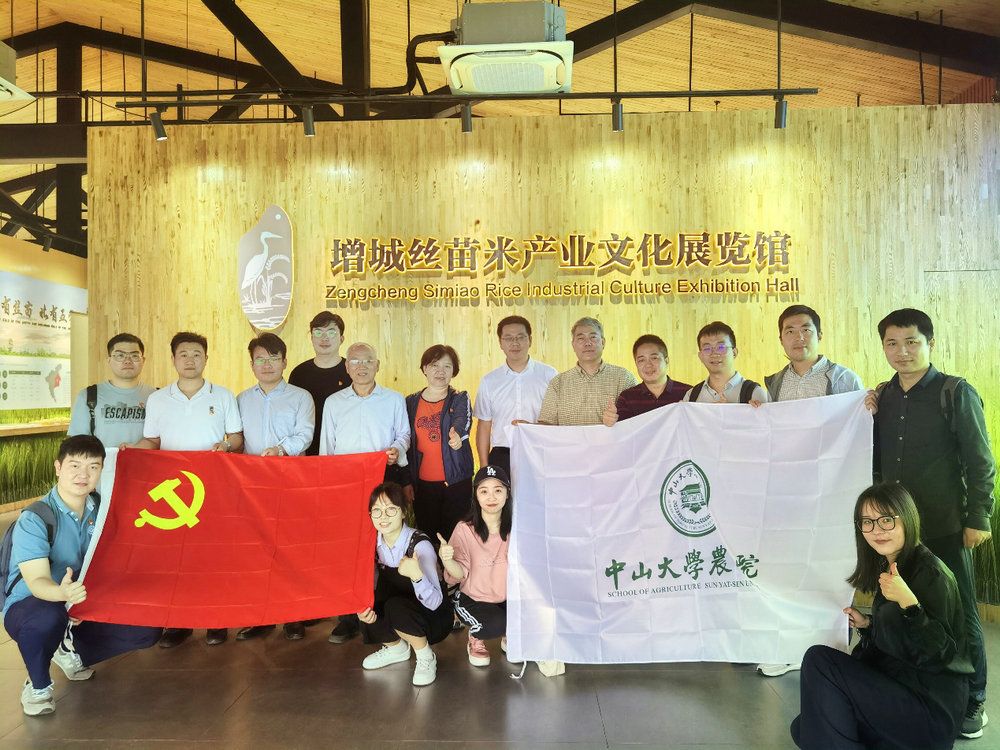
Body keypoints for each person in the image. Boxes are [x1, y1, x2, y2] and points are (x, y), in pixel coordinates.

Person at [869, 308, 995, 739]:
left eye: (911, 342)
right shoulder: (883, 396)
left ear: (930, 343)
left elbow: (980, 462)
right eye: (892, 343)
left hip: (943, 524)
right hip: (895, 530)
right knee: (901, 606)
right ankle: (913, 685)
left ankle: (974, 698)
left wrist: (978, 517)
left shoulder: (954, 392)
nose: (901, 351)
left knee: (961, 611)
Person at [790, 483, 973, 750]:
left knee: (819, 662)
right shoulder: (893, 565)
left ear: (906, 518)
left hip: (929, 709)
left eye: (886, 520)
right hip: (901, 689)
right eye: (867, 522)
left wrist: (910, 604)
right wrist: (868, 625)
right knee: (804, 726)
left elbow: (940, 655)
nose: (877, 530)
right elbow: (903, 638)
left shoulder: (931, 572)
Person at [3, 435, 162, 716]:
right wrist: (63, 595)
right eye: (74, 466)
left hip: (83, 600)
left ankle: (70, 650)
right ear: (58, 468)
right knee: (47, 618)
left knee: (146, 628)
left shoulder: (103, 509)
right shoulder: (36, 518)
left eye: (93, 467)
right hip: (32, 605)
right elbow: (37, 582)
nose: (83, 475)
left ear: (101, 471)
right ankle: (38, 685)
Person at [757, 305, 863, 678]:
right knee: (789, 570)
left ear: (819, 334)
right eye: (789, 330)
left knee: (829, 569)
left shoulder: (844, 379)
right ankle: (790, 646)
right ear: (780, 338)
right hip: (787, 494)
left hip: (832, 491)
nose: (798, 337)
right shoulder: (773, 384)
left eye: (805, 329)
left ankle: (832, 648)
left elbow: (861, 430)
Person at [135, 331, 243, 648]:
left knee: (213, 557)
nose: (190, 360)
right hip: (173, 491)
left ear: (206, 358)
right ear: (173, 359)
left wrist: (226, 445)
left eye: (196, 354)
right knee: (176, 559)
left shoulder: (222, 396)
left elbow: (237, 438)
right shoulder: (158, 400)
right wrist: (131, 452)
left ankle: (216, 621)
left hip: (213, 488)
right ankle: (178, 623)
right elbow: (152, 441)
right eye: (183, 354)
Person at [320, 341, 410, 644]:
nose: (362, 367)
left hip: (383, 484)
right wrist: (328, 489)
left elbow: (404, 434)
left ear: (377, 365)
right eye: (355, 362)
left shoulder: (393, 399)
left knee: (384, 548)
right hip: (345, 488)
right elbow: (327, 449)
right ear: (347, 367)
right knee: (348, 552)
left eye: (368, 361)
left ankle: (383, 615)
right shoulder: (333, 402)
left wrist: (396, 449)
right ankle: (347, 618)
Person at [235, 332, 315, 641]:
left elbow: (305, 435)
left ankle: (294, 615)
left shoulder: (300, 397)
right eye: (260, 359)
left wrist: (280, 450)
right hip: (254, 487)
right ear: (251, 364)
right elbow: (238, 440)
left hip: (291, 482)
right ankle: (262, 616)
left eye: (273, 358)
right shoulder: (242, 399)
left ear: (284, 362)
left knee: (291, 549)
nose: (266, 364)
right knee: (257, 551)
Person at [357, 482, 453, 686]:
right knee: (365, 604)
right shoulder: (371, 545)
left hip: (432, 618)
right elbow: (372, 586)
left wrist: (417, 576)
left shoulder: (419, 545)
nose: (383, 517)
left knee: (395, 607)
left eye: (391, 509)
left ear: (403, 512)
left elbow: (436, 603)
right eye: (377, 510)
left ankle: (426, 656)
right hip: (400, 610)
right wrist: (363, 608)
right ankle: (396, 649)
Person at [439, 465, 512, 667]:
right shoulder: (465, 529)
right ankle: (476, 637)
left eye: (498, 490)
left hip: (508, 598)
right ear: (476, 496)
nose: (491, 497)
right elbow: (458, 573)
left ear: (507, 493)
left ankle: (510, 633)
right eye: (484, 491)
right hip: (474, 599)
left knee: (527, 617)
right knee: (496, 623)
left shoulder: (516, 527)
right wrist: (447, 560)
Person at [405, 344, 474, 545]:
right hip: (423, 484)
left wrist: (457, 435)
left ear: (454, 371)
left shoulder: (459, 398)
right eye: (434, 365)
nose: (440, 371)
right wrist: (406, 481)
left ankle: (454, 568)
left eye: (447, 366)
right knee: (427, 536)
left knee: (456, 538)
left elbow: (463, 420)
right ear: (424, 368)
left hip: (456, 481)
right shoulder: (410, 402)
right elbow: (405, 440)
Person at [473, 316, 557, 476]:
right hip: (502, 455)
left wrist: (532, 428)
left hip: (540, 451)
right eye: (508, 338)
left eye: (520, 337)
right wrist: (484, 468)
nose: (515, 343)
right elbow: (484, 426)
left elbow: (558, 421)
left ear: (530, 340)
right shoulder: (489, 381)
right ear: (500, 343)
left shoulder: (549, 375)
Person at [538, 317, 637, 426]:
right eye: (581, 338)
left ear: (603, 342)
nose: (587, 343)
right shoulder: (558, 383)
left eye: (593, 337)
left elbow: (638, 422)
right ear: (573, 345)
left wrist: (617, 419)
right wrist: (526, 428)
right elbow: (546, 425)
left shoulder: (624, 378)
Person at [68, 333, 156, 449]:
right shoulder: (88, 396)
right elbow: (76, 443)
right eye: (120, 355)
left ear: (143, 360)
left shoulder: (156, 396)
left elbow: (161, 439)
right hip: (102, 461)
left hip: (143, 461)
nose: (127, 361)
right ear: (109, 360)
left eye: (134, 356)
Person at [288, 311, 351, 456]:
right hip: (306, 450)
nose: (324, 338)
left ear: (341, 338)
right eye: (318, 332)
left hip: (343, 450)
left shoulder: (352, 372)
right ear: (311, 338)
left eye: (331, 332)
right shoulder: (299, 373)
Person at [602, 333, 690, 426]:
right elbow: (622, 432)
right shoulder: (627, 398)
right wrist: (611, 423)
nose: (648, 365)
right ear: (636, 364)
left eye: (654, 358)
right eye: (641, 360)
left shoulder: (688, 393)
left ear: (666, 361)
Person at [681, 321, 769, 405]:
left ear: (734, 353)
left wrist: (730, 411)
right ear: (700, 356)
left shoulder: (755, 394)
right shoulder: (690, 397)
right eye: (707, 349)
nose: (714, 354)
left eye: (721, 347)